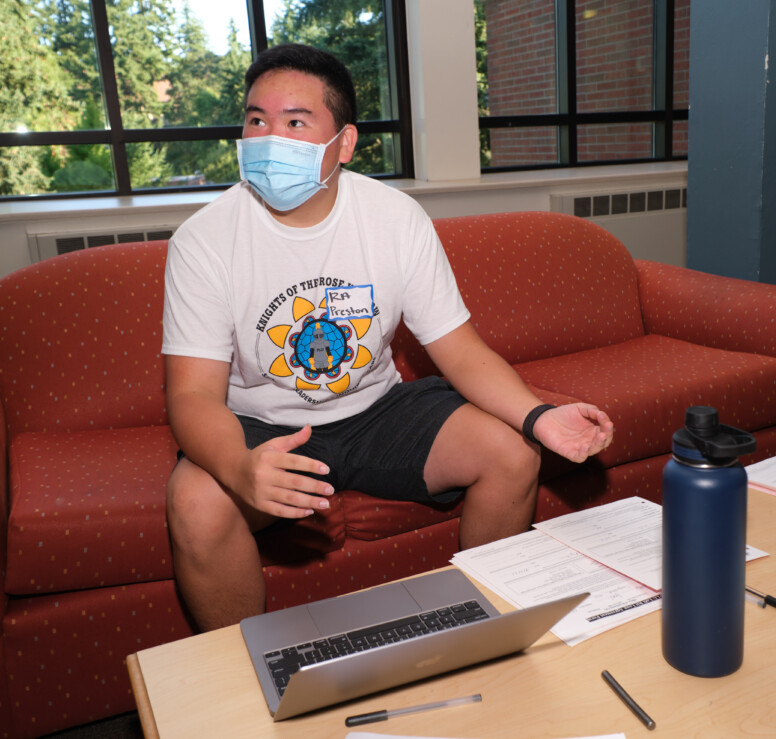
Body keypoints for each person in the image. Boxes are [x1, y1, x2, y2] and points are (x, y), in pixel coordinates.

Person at [162, 43, 614, 632]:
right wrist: (239, 466)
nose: (270, 137)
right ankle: (243, 691)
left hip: (379, 410)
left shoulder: (394, 217)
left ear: (344, 143)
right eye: (257, 120)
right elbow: (192, 395)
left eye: (296, 121)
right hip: (263, 426)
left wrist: (539, 417)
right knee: (195, 504)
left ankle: (483, 633)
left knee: (509, 451)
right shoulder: (204, 241)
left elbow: (460, 349)